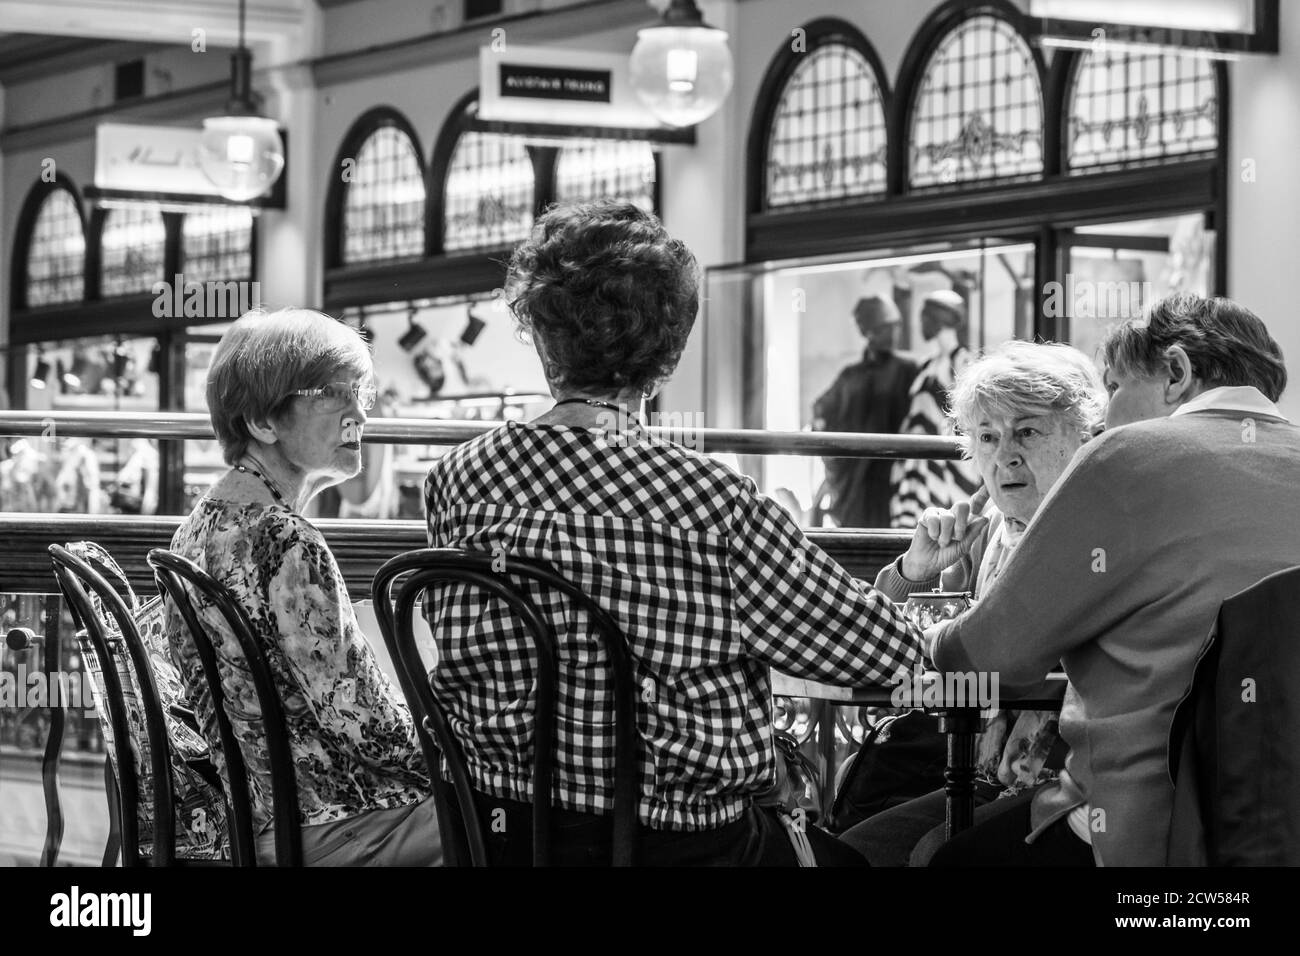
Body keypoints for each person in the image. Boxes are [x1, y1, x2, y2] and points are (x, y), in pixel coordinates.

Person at [423, 200, 927, 866]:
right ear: (670, 351)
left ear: (542, 339)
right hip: (681, 848)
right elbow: (888, 655)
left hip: (500, 833)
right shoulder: (707, 500)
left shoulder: (458, 480)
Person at [923, 292, 1298, 866]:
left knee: (947, 859)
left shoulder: (1128, 456)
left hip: (1150, 827)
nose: (1106, 417)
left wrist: (929, 635)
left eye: (1116, 386)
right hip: (1278, 821)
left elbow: (987, 658)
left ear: (1176, 372)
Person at [163, 307, 440, 866]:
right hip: (340, 824)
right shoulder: (286, 539)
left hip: (257, 820)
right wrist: (457, 748)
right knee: (516, 811)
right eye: (332, 394)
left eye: (361, 391)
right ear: (264, 423)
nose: (359, 411)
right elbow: (367, 728)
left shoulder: (197, 526)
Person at [838, 340, 1105, 865]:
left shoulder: (1094, 532)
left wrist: (947, 653)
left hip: (1071, 786)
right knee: (854, 852)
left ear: (1085, 436)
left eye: (1027, 430)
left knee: (936, 856)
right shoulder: (989, 537)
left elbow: (991, 656)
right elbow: (887, 650)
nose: (1005, 453)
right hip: (980, 769)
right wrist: (911, 573)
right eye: (987, 436)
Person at [812, 296, 918, 528]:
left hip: (896, 479)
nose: (892, 334)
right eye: (884, 328)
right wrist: (834, 463)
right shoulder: (851, 376)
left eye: (895, 326)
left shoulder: (909, 369)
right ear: (867, 332)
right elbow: (820, 414)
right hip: (855, 482)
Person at [890, 290, 981, 526]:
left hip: (949, 469)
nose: (921, 322)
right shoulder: (927, 366)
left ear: (940, 318)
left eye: (925, 316)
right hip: (917, 469)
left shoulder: (963, 363)